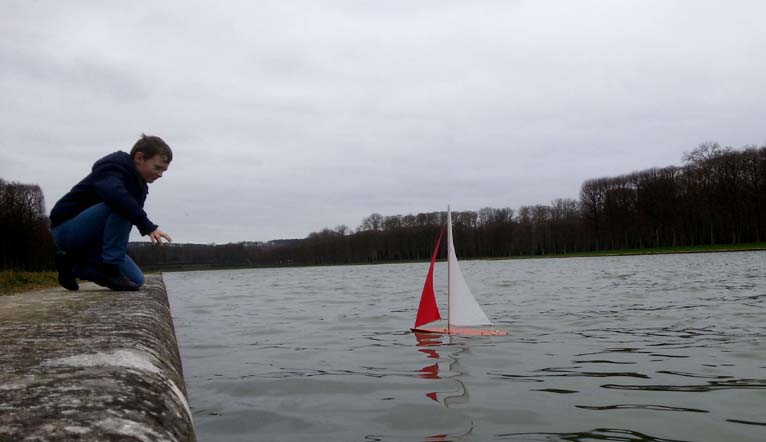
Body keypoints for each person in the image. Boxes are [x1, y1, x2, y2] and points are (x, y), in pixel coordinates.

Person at [49, 134, 173, 291]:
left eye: (164, 170)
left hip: (95, 243)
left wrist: (119, 249)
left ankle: (73, 265)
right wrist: (148, 226)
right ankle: (110, 268)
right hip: (67, 231)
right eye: (157, 167)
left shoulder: (139, 189)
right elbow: (116, 197)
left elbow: (122, 225)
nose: (160, 174)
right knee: (121, 204)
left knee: (137, 280)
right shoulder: (112, 167)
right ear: (139, 158)